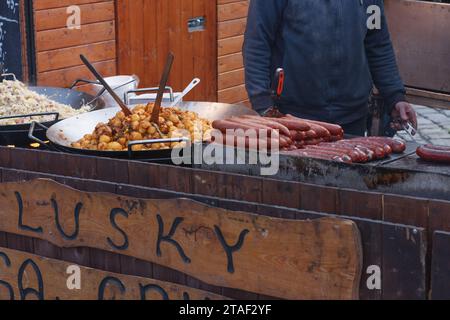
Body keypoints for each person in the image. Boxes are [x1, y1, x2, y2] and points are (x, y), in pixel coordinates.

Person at [243, 0, 417, 136]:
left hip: (353, 119)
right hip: (293, 118)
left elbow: (377, 44)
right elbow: (257, 43)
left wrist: (395, 97)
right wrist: (263, 104)